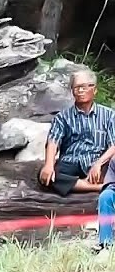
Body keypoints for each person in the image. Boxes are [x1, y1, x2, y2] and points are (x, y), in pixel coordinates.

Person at [39, 69, 115, 198]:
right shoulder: (62, 117)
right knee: (48, 176)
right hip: (71, 161)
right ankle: (98, 187)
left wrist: (99, 163)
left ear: (94, 90)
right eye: (76, 88)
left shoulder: (109, 115)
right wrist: (48, 165)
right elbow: (53, 141)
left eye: (84, 87)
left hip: (98, 162)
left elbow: (113, 144)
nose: (80, 91)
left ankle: (79, 185)